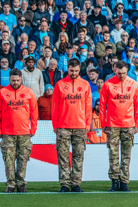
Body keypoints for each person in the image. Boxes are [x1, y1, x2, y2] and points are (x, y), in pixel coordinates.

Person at [98, 60, 138, 192]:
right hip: (112, 125)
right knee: (113, 154)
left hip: (128, 125)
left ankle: (124, 182)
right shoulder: (108, 84)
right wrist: (103, 123)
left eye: (123, 73)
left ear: (127, 70)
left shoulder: (134, 84)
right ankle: (114, 181)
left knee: (126, 155)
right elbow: (101, 105)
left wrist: (137, 124)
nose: (121, 75)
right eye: (119, 72)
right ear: (114, 70)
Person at [0, 68, 39, 193]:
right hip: (7, 133)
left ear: (21, 79)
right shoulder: (2, 92)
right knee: (8, 159)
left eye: (18, 80)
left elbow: (34, 112)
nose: (15, 82)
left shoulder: (29, 92)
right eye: (13, 80)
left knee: (23, 159)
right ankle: (10, 184)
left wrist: (33, 128)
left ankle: (21, 183)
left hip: (24, 133)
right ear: (9, 79)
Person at [52, 58, 92, 193]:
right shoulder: (59, 84)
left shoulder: (85, 84)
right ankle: (64, 184)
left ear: (79, 69)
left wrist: (88, 123)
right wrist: (55, 125)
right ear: (67, 69)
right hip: (63, 126)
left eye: (76, 71)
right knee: (62, 156)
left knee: (78, 155)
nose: (73, 73)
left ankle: (75, 184)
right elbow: (55, 106)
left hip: (80, 126)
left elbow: (88, 106)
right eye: (71, 70)